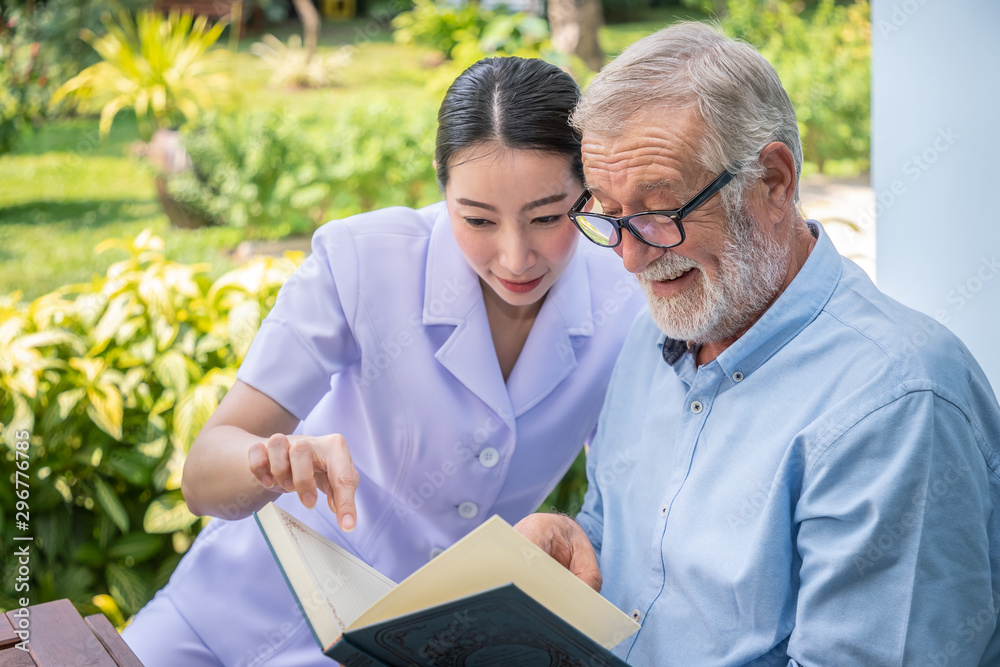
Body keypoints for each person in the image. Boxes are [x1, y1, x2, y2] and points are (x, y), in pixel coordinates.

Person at [122, 56, 644, 666]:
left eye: (549, 217)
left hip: (398, 648)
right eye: (476, 219)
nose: (515, 257)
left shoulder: (627, 304)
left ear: (589, 193)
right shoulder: (362, 260)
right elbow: (203, 476)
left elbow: (622, 501)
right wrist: (270, 461)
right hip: (219, 615)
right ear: (440, 183)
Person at [514, 22, 1000, 666]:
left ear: (774, 180)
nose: (629, 258)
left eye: (660, 212)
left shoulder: (897, 403)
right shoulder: (657, 332)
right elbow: (630, 547)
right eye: (607, 215)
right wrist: (575, 541)